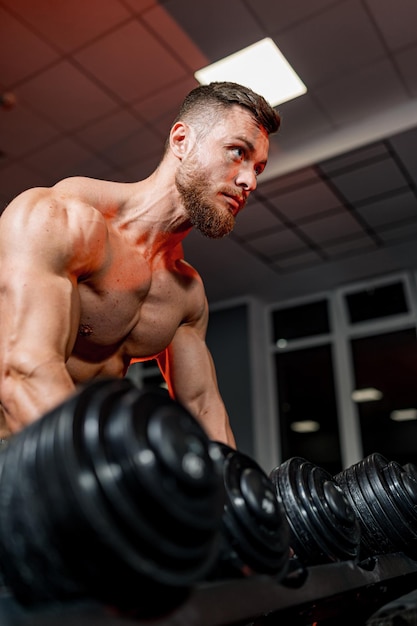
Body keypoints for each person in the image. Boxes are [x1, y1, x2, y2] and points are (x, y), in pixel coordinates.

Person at [0, 81, 280, 447]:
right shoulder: (60, 220)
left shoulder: (185, 292)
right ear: (182, 141)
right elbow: (24, 370)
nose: (249, 180)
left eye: (257, 167)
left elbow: (203, 407)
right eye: (236, 152)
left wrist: (235, 497)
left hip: (72, 465)